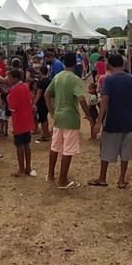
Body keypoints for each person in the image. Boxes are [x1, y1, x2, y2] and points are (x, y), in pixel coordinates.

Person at [88, 54, 132, 189]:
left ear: (109, 65)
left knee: (106, 150)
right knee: (125, 152)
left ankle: (102, 177)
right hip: (127, 121)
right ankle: (121, 180)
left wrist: (98, 121)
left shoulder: (109, 80)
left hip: (112, 120)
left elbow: (104, 100)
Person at [45, 53, 90, 189]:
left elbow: (47, 94)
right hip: (70, 117)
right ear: (75, 64)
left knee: (55, 146)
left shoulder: (58, 77)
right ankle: (62, 180)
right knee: (68, 149)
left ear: (64, 62)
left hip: (58, 116)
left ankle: (51, 175)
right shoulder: (75, 79)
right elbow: (81, 98)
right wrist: (88, 115)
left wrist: (52, 112)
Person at [7, 68, 36, 177]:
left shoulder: (14, 89)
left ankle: (21, 169)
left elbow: (12, 107)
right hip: (27, 119)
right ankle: (28, 167)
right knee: (27, 144)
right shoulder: (25, 86)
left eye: (9, 78)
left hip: (18, 120)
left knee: (19, 145)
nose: (8, 80)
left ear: (15, 78)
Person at [33, 65, 52, 142]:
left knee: (43, 118)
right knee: (44, 118)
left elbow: (38, 93)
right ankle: (46, 133)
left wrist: (34, 103)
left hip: (41, 102)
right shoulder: (49, 80)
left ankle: (45, 134)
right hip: (48, 101)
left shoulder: (41, 82)